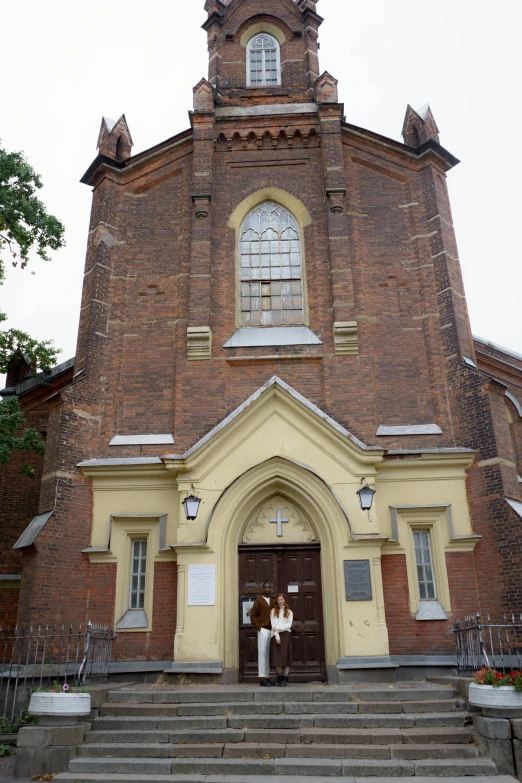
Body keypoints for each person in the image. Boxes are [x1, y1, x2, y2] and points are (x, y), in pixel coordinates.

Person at [249, 581, 277, 686]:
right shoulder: (259, 600)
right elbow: (253, 615)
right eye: (265, 587)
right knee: (262, 654)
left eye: (269, 588)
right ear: (262, 589)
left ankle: (267, 676)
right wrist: (258, 627)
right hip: (262, 630)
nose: (267, 589)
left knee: (266, 655)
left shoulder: (272, 601)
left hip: (270, 630)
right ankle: (262, 678)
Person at [270, 593, 293, 687]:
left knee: (286, 657)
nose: (280, 601)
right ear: (277, 601)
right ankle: (279, 677)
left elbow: (288, 625)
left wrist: (278, 628)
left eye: (281, 600)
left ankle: (285, 677)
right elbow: (273, 625)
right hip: (275, 636)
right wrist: (277, 636)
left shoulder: (289, 612)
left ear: (285, 600)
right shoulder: (273, 611)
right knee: (277, 658)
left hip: (286, 636)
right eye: (278, 600)